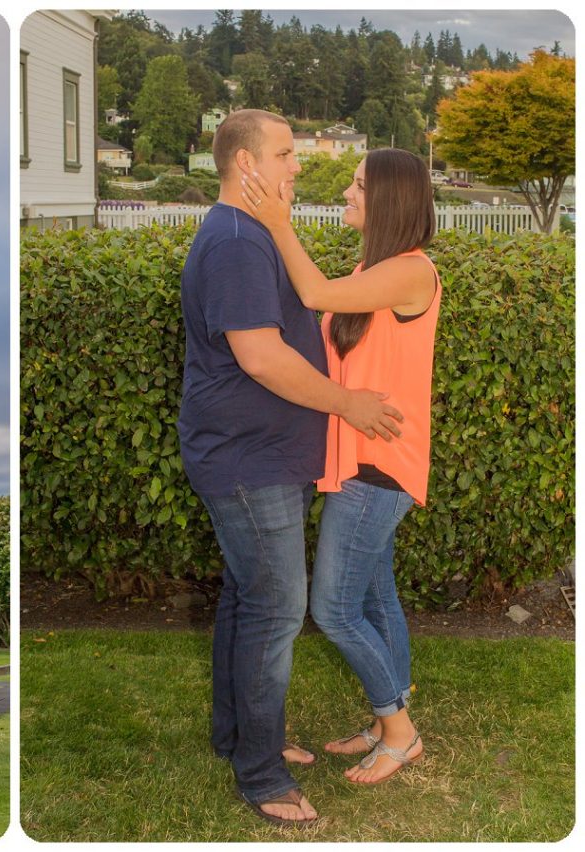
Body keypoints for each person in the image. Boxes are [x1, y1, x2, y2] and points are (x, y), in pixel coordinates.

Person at [177, 109, 404, 827]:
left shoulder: (246, 233)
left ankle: (238, 738)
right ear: (246, 165)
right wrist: (349, 405)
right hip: (250, 462)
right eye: (283, 154)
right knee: (274, 609)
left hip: (252, 454)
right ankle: (262, 774)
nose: (296, 167)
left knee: (248, 600)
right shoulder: (238, 242)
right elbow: (262, 357)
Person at [240, 147, 438, 784]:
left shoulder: (411, 272)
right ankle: (389, 721)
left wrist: (276, 221)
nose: (347, 194)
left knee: (333, 609)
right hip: (361, 461)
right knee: (377, 595)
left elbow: (315, 291)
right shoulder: (374, 267)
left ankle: (399, 732)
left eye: (357, 186)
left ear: (389, 201)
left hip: (379, 467)